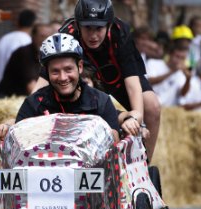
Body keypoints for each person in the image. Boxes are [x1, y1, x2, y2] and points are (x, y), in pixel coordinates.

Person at [34, 0, 161, 160]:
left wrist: (136, 121)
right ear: (78, 25)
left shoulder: (120, 33)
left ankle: (145, 162)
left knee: (152, 105)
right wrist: (31, 110)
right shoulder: (67, 33)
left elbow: (133, 84)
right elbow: (43, 83)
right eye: (87, 28)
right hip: (87, 75)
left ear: (108, 25)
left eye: (99, 28)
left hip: (119, 76)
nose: (93, 35)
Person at [0, 33, 120, 141]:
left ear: (80, 67)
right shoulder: (34, 104)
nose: (63, 77)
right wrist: (7, 128)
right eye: (55, 71)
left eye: (68, 69)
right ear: (46, 72)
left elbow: (114, 141)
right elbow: (18, 136)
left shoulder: (101, 102)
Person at [0, 23, 54, 98]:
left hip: (23, 99)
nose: (45, 40)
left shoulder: (48, 55)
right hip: (7, 99)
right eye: (41, 36)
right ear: (33, 37)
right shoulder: (25, 53)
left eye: (49, 37)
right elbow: (31, 86)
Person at [0, 9, 36, 94]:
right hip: (13, 95)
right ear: (33, 25)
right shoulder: (27, 43)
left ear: (17, 22)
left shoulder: (3, 39)